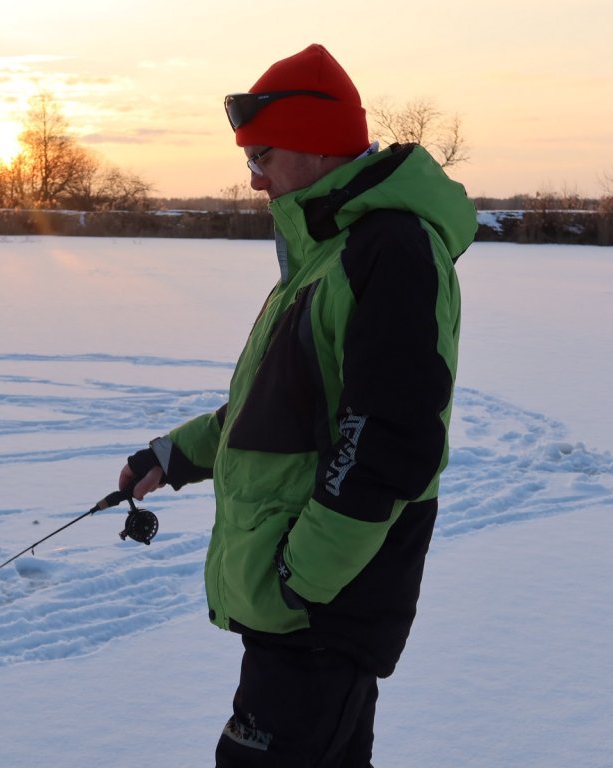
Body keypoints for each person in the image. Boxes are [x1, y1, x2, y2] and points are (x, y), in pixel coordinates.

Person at [119, 43, 477, 767]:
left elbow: (392, 439)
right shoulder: (324, 255)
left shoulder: (389, 252)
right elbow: (270, 411)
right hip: (296, 608)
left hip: (318, 612)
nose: (253, 180)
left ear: (315, 151)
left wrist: (303, 577)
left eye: (263, 156)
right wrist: (171, 457)